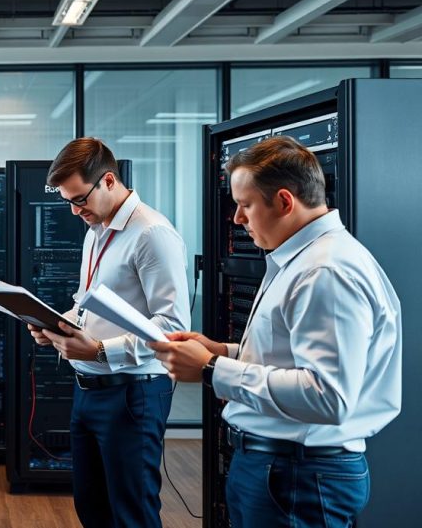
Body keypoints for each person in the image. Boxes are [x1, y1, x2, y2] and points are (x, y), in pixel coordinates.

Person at [150, 136, 401, 528]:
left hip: (297, 474)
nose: (236, 218)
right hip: (281, 468)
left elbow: (329, 396)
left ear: (285, 201)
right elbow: (289, 356)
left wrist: (212, 370)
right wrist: (223, 351)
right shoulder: (302, 260)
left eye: (245, 205)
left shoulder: (326, 272)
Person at [29, 137, 191, 528]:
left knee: (131, 513)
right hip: (88, 390)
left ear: (108, 181)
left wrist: (100, 350)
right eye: (68, 200)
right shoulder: (96, 230)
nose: (74, 210)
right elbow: (87, 302)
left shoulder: (152, 234)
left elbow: (173, 329)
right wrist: (56, 324)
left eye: (80, 198)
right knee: (92, 507)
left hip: (133, 393)